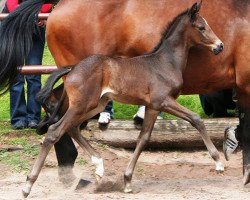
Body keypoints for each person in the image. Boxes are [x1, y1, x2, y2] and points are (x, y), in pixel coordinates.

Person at [2, 0, 52, 129]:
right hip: (14, 30)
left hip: (35, 29)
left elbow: (48, 4)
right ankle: (18, 118)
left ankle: (33, 118)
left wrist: (43, 14)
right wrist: (36, 12)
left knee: (34, 75)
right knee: (16, 75)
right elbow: (11, 4)